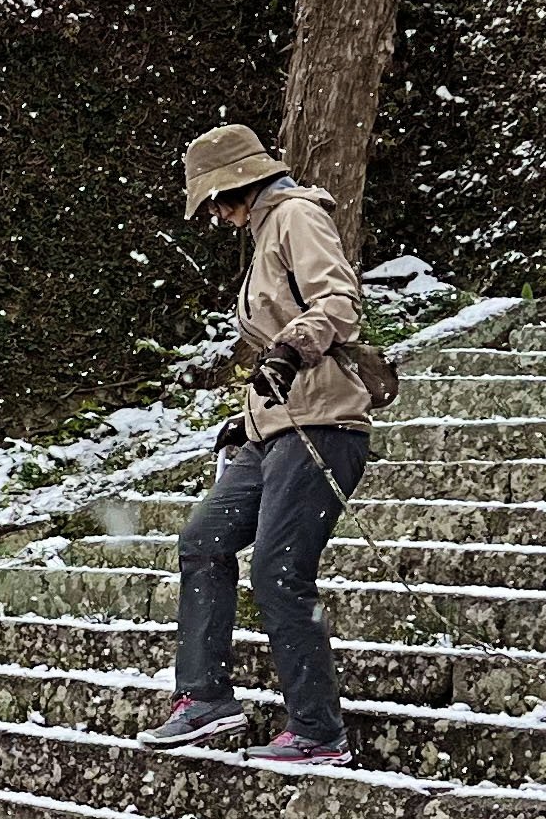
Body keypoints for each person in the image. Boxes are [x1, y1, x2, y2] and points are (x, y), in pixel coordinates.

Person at [141, 123, 376, 767]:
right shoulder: (264, 232)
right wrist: (246, 421)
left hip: (323, 427)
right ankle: (206, 696)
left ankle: (319, 731)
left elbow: (339, 301)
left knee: (278, 572)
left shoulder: (297, 214)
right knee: (202, 540)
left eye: (215, 201)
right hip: (273, 429)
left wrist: (291, 349)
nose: (215, 215)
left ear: (239, 185)